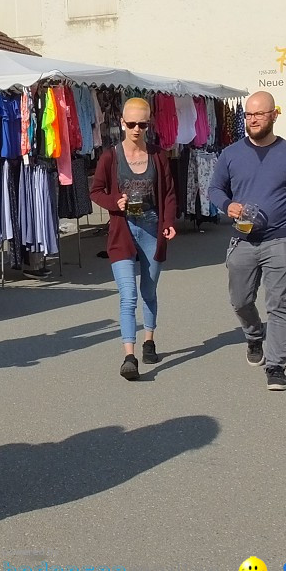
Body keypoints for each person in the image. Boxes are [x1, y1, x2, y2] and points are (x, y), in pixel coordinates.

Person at [208, 92, 286, 391]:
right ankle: (252, 333)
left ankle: (276, 366)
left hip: (281, 238)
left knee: (279, 304)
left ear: (274, 115)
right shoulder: (231, 154)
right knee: (241, 300)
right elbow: (215, 189)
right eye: (248, 115)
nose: (253, 119)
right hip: (243, 239)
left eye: (259, 114)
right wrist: (227, 205)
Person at [89, 97, 177, 381]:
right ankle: (129, 355)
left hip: (152, 229)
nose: (137, 129)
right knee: (128, 296)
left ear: (149, 124)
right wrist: (116, 202)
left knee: (148, 292)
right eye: (131, 124)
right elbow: (96, 191)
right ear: (121, 123)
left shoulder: (158, 156)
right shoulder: (110, 157)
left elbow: (168, 195)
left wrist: (168, 223)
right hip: (122, 232)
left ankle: (149, 340)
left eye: (143, 124)